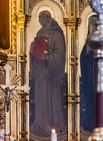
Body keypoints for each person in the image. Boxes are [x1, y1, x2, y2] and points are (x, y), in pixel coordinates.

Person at [30, 10, 65, 138]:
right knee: (40, 97)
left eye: (41, 18)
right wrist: (32, 50)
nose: (40, 21)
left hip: (51, 72)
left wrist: (47, 58)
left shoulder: (57, 34)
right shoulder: (40, 33)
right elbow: (36, 50)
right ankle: (40, 123)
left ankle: (53, 125)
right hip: (40, 71)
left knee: (51, 97)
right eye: (38, 19)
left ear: (47, 18)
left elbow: (59, 55)